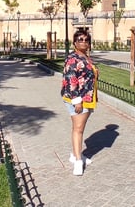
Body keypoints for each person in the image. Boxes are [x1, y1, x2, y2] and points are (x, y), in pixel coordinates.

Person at [60, 29, 98, 176]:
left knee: (79, 128)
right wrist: (77, 101)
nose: (83, 42)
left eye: (86, 40)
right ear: (75, 42)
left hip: (87, 98)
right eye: (80, 39)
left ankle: (75, 154)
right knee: (78, 128)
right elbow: (70, 79)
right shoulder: (72, 58)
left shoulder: (86, 57)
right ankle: (77, 161)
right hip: (77, 99)